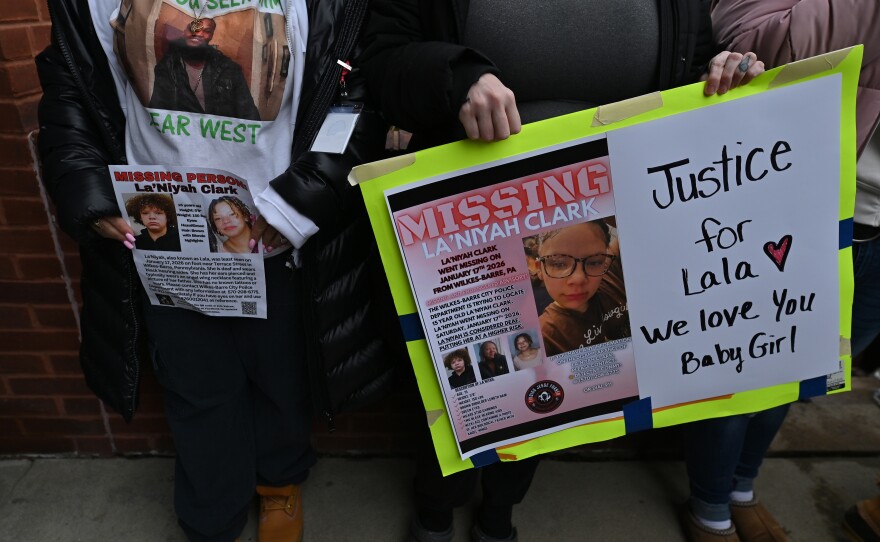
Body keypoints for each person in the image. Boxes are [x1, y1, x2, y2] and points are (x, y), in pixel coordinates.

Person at [360, 2, 763, 541]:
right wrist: (456, 76)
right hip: (467, 228)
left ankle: (500, 510)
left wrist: (725, 71)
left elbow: (690, 67)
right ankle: (436, 508)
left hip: (605, 214)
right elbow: (380, 63)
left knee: (557, 379)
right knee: (457, 380)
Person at [36, 1, 402, 541]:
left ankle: (280, 482)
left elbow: (351, 98)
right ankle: (212, 507)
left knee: (281, 376)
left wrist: (302, 204)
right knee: (195, 383)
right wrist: (91, 196)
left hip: (274, 234)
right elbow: (71, 92)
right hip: (165, 241)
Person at [709, 2, 880, 541]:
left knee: (805, 372)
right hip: (804, 210)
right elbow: (757, 40)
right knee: (744, 369)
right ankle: (710, 506)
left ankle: (740, 486)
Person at [535, 221, 630, 356]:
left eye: (594, 262)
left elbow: (637, 221)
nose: (578, 279)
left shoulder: (612, 274)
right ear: (540, 269)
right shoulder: (544, 337)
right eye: (559, 264)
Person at [149, 17, 261, 120]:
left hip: (220, 139)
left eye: (206, 31)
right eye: (193, 28)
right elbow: (157, 110)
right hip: (182, 138)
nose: (198, 34)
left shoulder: (229, 69)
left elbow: (249, 113)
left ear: (211, 36)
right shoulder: (167, 68)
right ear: (184, 31)